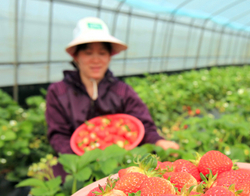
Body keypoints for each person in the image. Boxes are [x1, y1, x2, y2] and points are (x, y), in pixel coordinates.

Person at [45, 17, 179, 156]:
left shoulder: (122, 91)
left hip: (121, 158)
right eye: (88, 53)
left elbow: (142, 124)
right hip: (76, 161)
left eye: (102, 53)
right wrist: (81, 160)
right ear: (76, 57)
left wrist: (158, 141)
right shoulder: (59, 92)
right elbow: (58, 134)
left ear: (109, 57)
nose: (96, 60)